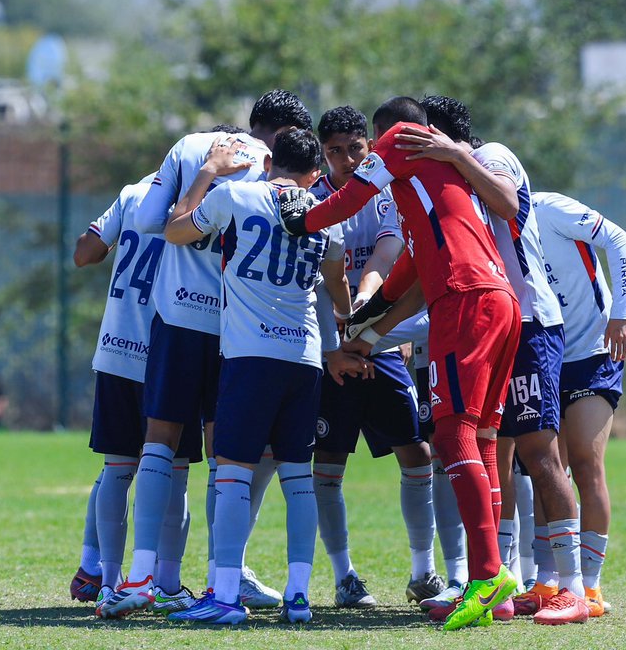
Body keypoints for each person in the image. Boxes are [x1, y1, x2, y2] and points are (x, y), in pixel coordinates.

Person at [280, 96, 520, 632]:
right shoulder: (428, 193)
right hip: (497, 301)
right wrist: (366, 335)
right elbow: (404, 286)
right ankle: (497, 588)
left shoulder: (400, 140)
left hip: (466, 302)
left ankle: (484, 578)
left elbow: (345, 203)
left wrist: (301, 220)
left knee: (451, 437)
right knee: (480, 439)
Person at [100, 90, 312, 619]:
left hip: (177, 319)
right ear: (288, 136)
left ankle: (143, 576)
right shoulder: (285, 183)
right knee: (229, 461)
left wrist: (205, 177)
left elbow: (154, 222)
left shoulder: (194, 146)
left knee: (158, 446)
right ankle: (226, 579)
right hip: (237, 331)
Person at [395, 95, 590, 626]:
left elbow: (508, 203)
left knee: (540, 453)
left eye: (419, 138)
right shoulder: (445, 186)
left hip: (529, 322)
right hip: (490, 322)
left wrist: (458, 156)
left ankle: (573, 588)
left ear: (438, 135)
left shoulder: (493, 158)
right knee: (490, 453)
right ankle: (496, 584)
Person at [163, 128, 366, 626]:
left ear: (270, 158)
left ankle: (226, 596)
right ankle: (299, 596)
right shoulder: (327, 214)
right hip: (303, 359)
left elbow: (176, 230)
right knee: (299, 477)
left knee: (232, 472)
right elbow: (339, 293)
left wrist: (208, 173)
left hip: (249, 356)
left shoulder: (235, 194)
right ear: (316, 173)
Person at [310, 106, 442, 608]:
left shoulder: (384, 193)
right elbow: (321, 278)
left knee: (418, 453)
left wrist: (364, 318)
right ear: (323, 155)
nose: (346, 159)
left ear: (370, 146)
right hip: (331, 349)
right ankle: (345, 578)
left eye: (354, 148)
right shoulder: (316, 198)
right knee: (329, 465)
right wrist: (338, 338)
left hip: (377, 342)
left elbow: (386, 258)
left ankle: (423, 571)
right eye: (334, 151)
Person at [69, 175, 202, 616]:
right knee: (174, 471)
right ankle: (165, 580)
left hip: (115, 345)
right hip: (169, 348)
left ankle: (107, 581)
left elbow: (83, 254)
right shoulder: (204, 198)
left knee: (117, 469)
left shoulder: (132, 194)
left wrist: (112, 237)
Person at [531, 190, 626, 617]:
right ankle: (544, 583)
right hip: (545, 353)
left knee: (587, 465)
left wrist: (621, 312)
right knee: (547, 466)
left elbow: (619, 239)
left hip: (594, 351)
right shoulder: (492, 221)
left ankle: (589, 589)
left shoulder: (549, 208)